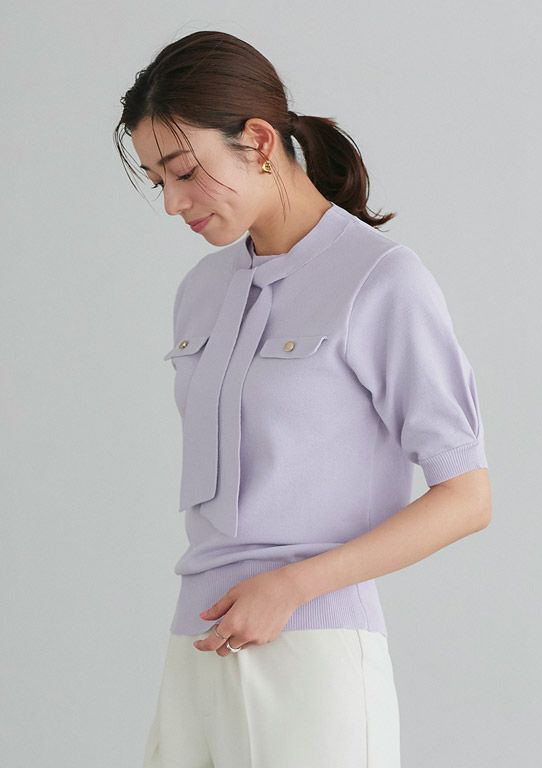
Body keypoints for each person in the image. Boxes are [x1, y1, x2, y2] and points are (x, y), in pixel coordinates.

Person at [114, 29, 492, 768]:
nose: (172, 203)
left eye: (184, 172)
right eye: (158, 181)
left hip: (311, 653)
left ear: (258, 141)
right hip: (194, 647)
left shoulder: (381, 280)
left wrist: (292, 587)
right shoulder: (201, 291)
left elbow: (467, 497)